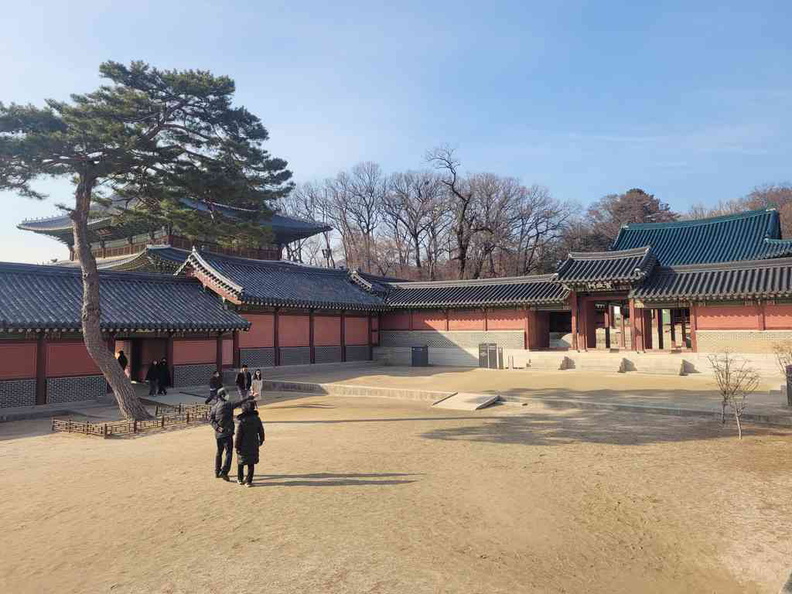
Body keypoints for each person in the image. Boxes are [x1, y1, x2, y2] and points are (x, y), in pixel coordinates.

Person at [209, 387, 256, 481]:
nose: (228, 395)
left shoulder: (214, 406)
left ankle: (217, 471)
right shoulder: (228, 404)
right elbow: (239, 402)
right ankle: (224, 471)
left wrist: (217, 428)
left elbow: (211, 419)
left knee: (219, 452)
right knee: (229, 452)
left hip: (218, 434)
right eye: (226, 394)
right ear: (222, 395)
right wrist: (249, 397)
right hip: (227, 433)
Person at [235, 400, 265, 487]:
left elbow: (238, 435)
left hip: (242, 445)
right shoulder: (257, 419)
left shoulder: (242, 421)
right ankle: (249, 481)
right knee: (251, 464)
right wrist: (261, 440)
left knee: (241, 463)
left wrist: (237, 446)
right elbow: (261, 431)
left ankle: (240, 479)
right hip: (253, 443)